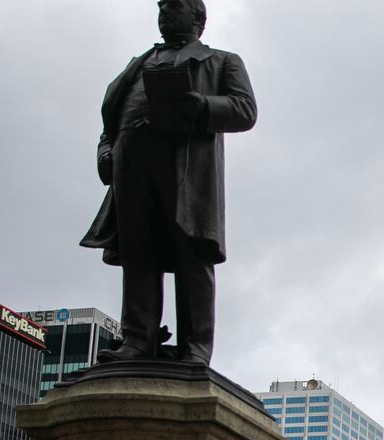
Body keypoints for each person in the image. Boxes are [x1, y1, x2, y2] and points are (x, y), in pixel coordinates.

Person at [80, 0, 256, 365]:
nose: (164, 14)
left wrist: (202, 106)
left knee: (192, 252)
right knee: (138, 252)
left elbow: (244, 110)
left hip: (186, 168)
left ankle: (195, 347)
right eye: (161, 8)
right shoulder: (138, 64)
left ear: (198, 18)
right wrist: (106, 151)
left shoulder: (222, 61)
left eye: (173, 7)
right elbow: (110, 122)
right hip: (131, 166)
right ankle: (138, 340)